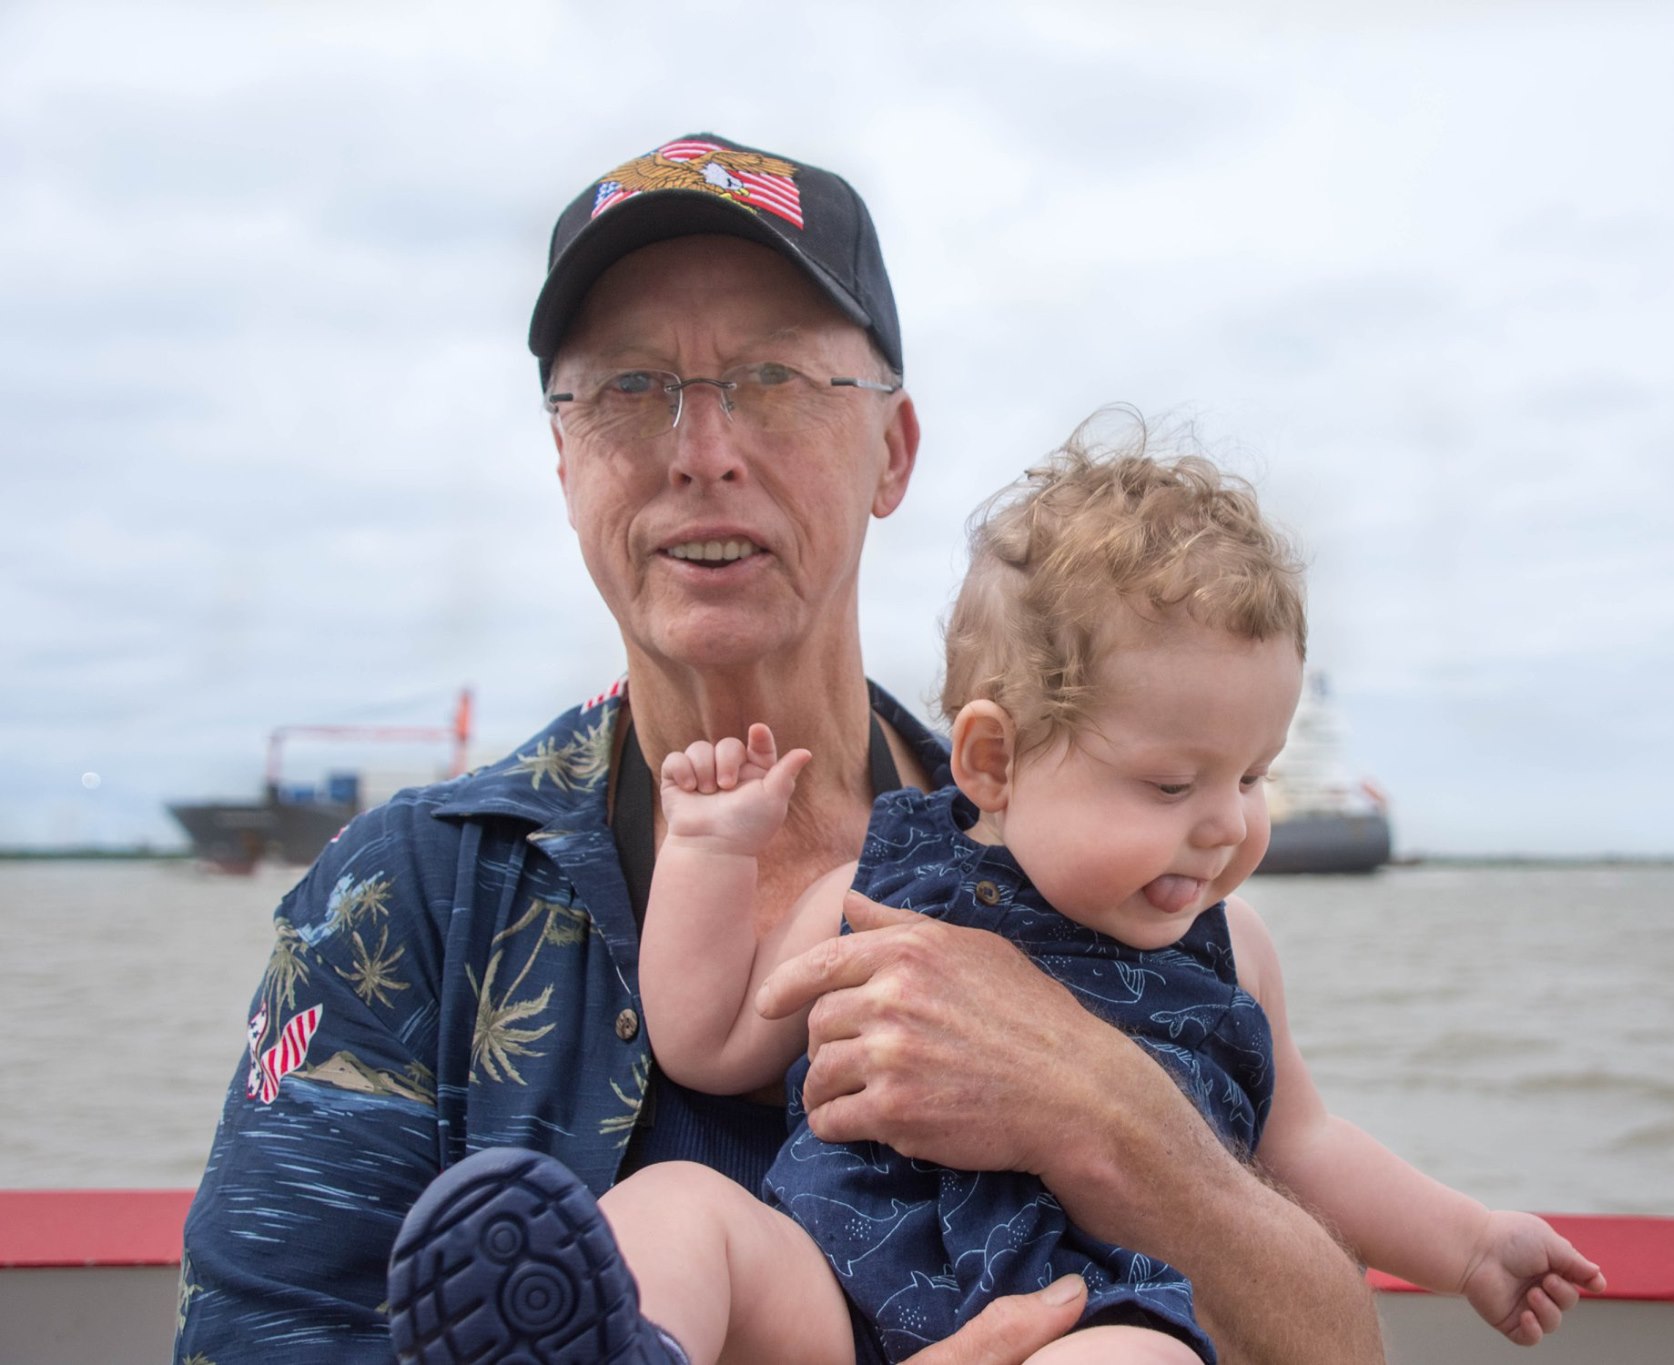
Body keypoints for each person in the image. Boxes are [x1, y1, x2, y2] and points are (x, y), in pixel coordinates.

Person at [175, 132, 1383, 1364]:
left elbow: (1337, 1347)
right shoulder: (408, 900)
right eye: (627, 388)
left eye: (773, 378)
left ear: (892, 453)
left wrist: (1111, 1118)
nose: (701, 451)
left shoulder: (1107, 865)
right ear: (564, 461)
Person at [383, 433, 1605, 1365]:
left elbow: (1304, 1148)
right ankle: (625, 1346)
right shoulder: (879, 896)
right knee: (679, 1207)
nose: (1226, 825)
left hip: (1082, 1313)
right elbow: (705, 1044)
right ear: (992, 762)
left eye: (1249, 776)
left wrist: (1468, 1241)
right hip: (833, 1289)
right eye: (1170, 783)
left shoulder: (1233, 951)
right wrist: (707, 852)